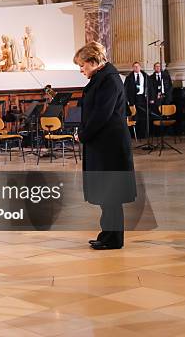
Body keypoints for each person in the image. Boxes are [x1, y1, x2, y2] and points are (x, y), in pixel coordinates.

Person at [74, 42, 136, 250]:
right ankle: (107, 234)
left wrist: (83, 135)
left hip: (110, 146)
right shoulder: (102, 77)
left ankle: (114, 239)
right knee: (106, 193)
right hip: (102, 143)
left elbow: (102, 114)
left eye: (82, 65)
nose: (80, 69)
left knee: (111, 194)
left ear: (93, 62)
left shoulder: (109, 79)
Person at [123, 61, 153, 138]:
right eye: (135, 66)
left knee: (144, 116)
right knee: (136, 116)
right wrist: (128, 100)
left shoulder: (145, 76)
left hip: (143, 98)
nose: (136, 68)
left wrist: (151, 98)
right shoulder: (129, 78)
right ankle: (137, 134)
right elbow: (125, 89)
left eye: (138, 66)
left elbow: (150, 88)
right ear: (133, 68)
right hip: (134, 99)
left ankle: (145, 134)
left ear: (140, 67)